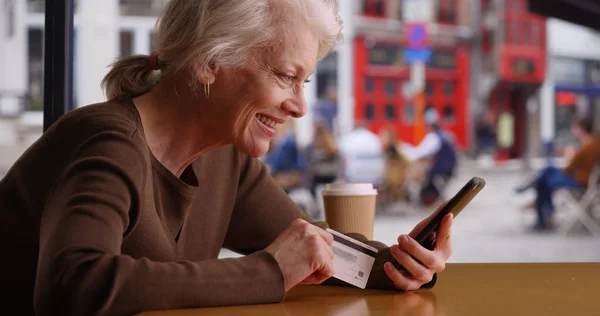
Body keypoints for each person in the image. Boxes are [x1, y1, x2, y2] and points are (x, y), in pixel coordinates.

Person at [0, 1, 454, 315]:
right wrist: (268, 271)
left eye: (305, 83)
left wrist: (404, 264)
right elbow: (71, 286)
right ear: (208, 61)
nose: (298, 106)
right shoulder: (108, 143)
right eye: (285, 76)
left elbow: (312, 253)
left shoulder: (225, 159)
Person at [515, 117, 600, 230]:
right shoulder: (593, 142)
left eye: (575, 128)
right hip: (582, 178)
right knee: (548, 170)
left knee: (543, 181)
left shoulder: (588, 145)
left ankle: (542, 219)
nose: (573, 130)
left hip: (580, 181)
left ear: (581, 129)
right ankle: (544, 211)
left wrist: (569, 155)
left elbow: (569, 168)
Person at [403, 110, 458, 206]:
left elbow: (421, 153)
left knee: (414, 175)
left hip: (440, 170)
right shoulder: (446, 135)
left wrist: (405, 151)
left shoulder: (433, 137)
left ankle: (412, 199)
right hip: (449, 168)